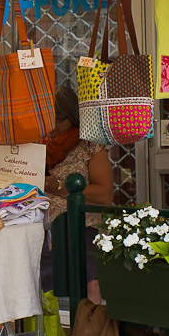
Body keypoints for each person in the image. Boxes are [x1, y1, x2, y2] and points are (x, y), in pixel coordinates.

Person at [41, 87, 113, 303]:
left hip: (81, 228)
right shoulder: (36, 145)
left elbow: (104, 194)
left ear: (72, 117)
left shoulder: (89, 145)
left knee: (92, 282)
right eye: (47, 119)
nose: (52, 127)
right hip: (42, 230)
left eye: (59, 120)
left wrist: (57, 187)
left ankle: (88, 330)